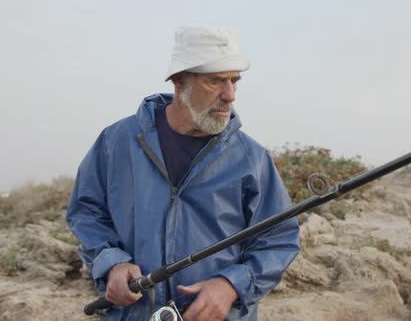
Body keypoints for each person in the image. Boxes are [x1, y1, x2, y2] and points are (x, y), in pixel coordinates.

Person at [66, 25, 300, 321]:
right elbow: (86, 212)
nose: (230, 95)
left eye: (234, 81)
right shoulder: (117, 141)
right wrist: (111, 263)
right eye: (215, 81)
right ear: (179, 81)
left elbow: (279, 237)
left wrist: (231, 285)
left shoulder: (251, 158)